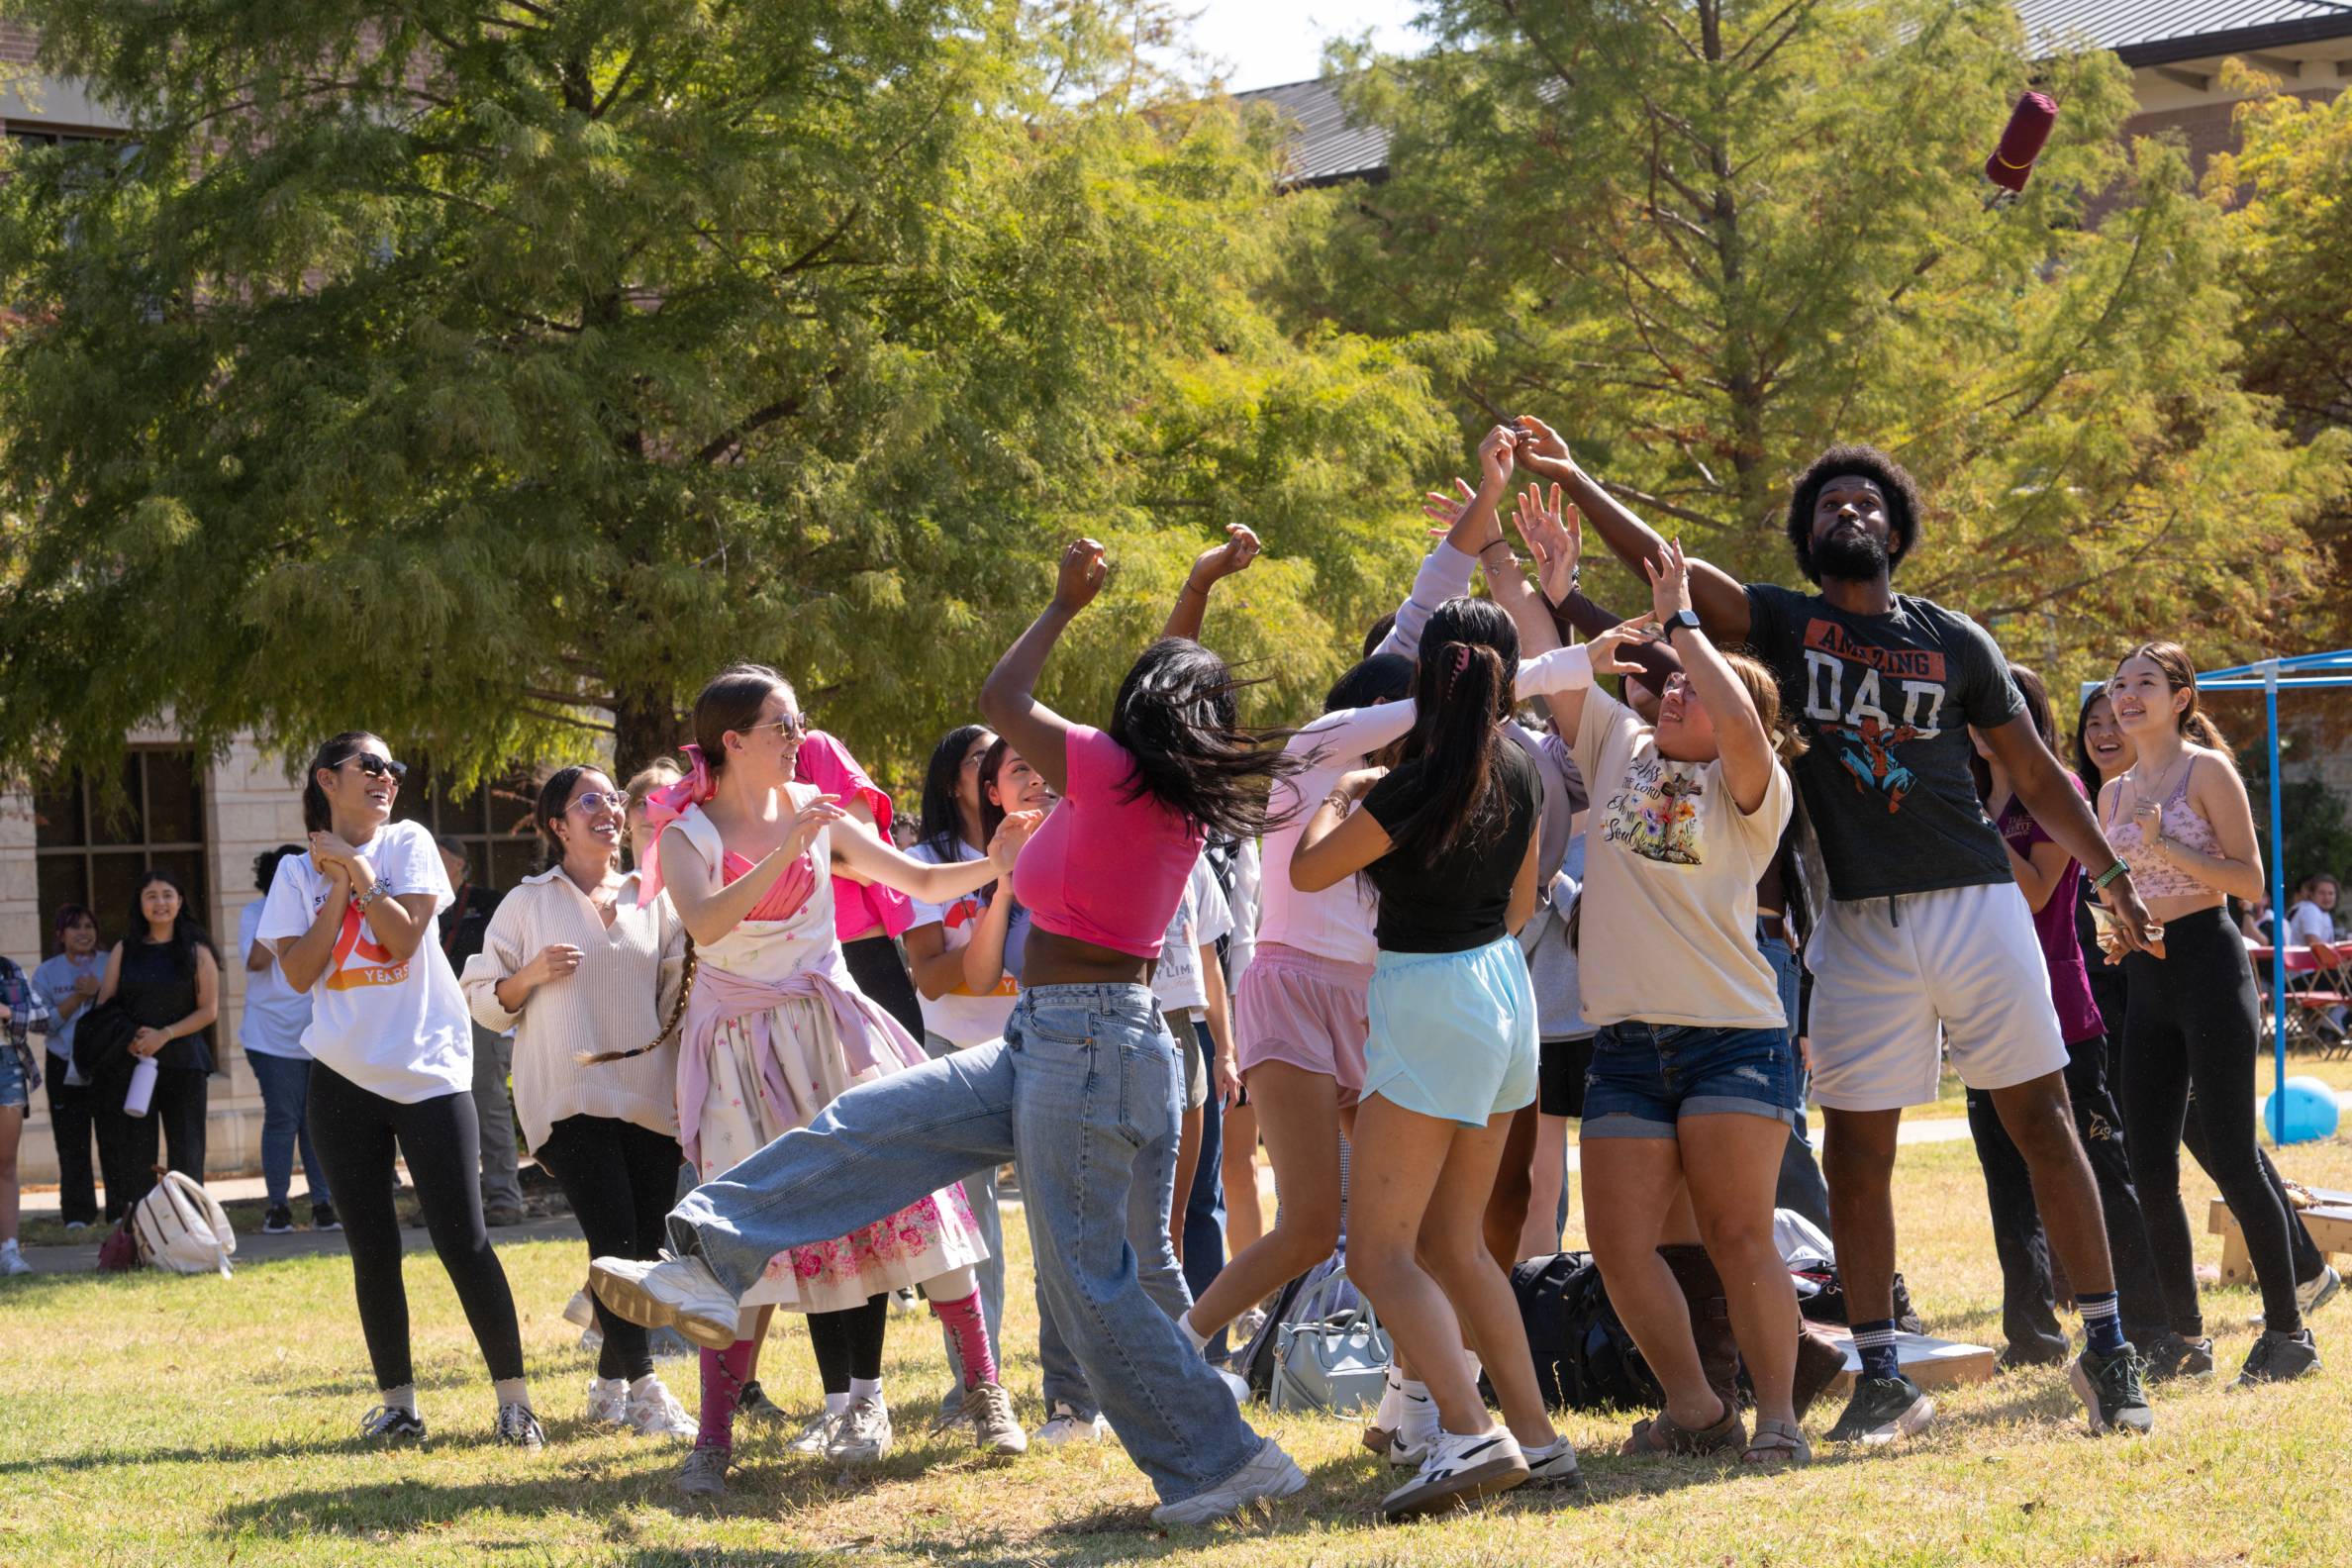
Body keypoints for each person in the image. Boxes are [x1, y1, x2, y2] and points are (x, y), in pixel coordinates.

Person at [593, 538, 1314, 1527]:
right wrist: (1192, 590)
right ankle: (704, 1253)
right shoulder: (1150, 774)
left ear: (1144, 711)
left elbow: (1004, 692)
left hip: (1091, 1047)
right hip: (1051, 1038)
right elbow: (1161, 681)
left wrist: (1062, 606)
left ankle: (1227, 1462)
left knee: (1089, 1291)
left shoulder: (1113, 769)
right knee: (873, 1122)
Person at [1520, 416, 2156, 1440]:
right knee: (1859, 1153)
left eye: (1867, 502)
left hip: (1974, 902)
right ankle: (1879, 1375)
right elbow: (1664, 576)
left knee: (2043, 1120)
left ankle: (2109, 1347)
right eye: (1828, 504)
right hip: (1854, 919)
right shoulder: (1777, 623)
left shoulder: (1955, 640)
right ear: (1808, 542)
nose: (1849, 510)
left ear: (1895, 530)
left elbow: (2035, 771)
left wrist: (2111, 874)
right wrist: (1576, 475)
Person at [607, 664, 1029, 1498]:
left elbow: (917, 882)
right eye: (781, 726)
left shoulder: (814, 811)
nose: (799, 739)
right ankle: (713, 1443)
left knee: (912, 1199)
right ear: (732, 742)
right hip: (740, 1054)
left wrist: (999, 868)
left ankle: (986, 1393)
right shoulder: (687, 831)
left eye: (797, 724)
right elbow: (706, 921)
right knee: (741, 1237)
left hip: (834, 1033)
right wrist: (793, 851)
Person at [1288, 587, 1582, 1520]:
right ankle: (1539, 1441)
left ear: (1425, 678)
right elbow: (1525, 905)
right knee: (1456, 1245)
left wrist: (1340, 793)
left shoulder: (1414, 781)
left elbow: (1308, 871)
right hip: (1503, 992)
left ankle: (1468, 1432)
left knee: (1379, 1255)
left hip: (1431, 995)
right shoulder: (1524, 768)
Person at [1529, 537, 1812, 1465]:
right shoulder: (1620, 744)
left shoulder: (1752, 790)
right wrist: (1519, 571)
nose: (1676, 687)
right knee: (1617, 1245)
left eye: (1697, 682)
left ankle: (1777, 1422)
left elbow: (1738, 724)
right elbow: (1557, 671)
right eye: (1675, 678)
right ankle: (1696, 1409)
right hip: (1626, 1048)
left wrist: (1686, 622)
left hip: (1732, 1039)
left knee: (1737, 1235)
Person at [259, 731, 541, 1449]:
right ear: (328, 779)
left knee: (463, 1240)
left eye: (394, 768)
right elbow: (298, 973)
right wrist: (331, 888)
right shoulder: (295, 873)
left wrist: (358, 869)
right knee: (373, 1249)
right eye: (371, 766)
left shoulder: (408, 842)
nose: (388, 777)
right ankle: (400, 1407)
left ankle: (515, 1404)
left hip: (428, 1073)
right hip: (342, 1078)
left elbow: (403, 939)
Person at [2072, 691, 2338, 1347]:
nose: (2123, 702)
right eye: (2114, 688)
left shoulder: (2207, 770)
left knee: (2230, 1153)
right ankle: (2183, 1340)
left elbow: (2249, 883)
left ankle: (2288, 1332)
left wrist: (2165, 842)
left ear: (2178, 697)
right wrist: (2116, 924)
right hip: (2146, 976)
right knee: (2150, 1164)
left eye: (2140, 686)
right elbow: (2122, 887)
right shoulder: (2110, 796)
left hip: (2210, 969)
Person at [460, 765, 697, 1440]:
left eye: (612, 800)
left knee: (643, 1248)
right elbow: (483, 999)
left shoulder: (656, 897)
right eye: (587, 801)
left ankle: (608, 1381)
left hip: (650, 1098)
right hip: (567, 1100)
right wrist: (528, 976)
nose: (607, 809)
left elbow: (676, 999)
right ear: (557, 824)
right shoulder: (528, 902)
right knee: (613, 1240)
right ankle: (649, 1393)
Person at [1961, 668, 2174, 1375]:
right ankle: (2031, 1333)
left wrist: (1966, 822)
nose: (1979, 724)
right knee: (2006, 1184)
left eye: (1996, 710)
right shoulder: (1966, 791)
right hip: (1979, 1010)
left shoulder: (2058, 793)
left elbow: (2036, 888)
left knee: (2103, 1175)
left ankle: (2149, 1326)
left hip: (2062, 1015)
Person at [902, 724, 1025, 1417]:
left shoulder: (1040, 845)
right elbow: (931, 979)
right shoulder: (924, 861)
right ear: (957, 782)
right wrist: (990, 959)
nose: (994, 773)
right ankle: (978, 1383)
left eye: (1002, 763)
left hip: (1038, 1046)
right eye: (981, 760)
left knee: (1057, 1222)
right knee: (969, 1230)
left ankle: (1072, 1388)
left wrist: (976, 968)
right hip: (955, 1057)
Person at [95, 871, 220, 1209]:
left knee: (187, 1152)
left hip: (185, 1064)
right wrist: (131, 1034)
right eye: (151, 895)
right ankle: (139, 1233)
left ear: (180, 902)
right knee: (136, 1153)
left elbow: (208, 1011)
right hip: (135, 1064)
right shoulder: (125, 949)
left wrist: (165, 1035)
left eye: (167, 895)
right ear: (140, 904)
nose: (160, 903)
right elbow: (105, 1003)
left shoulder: (198, 951)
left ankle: (191, 1229)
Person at [796, 729, 926, 1041]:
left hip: (860, 955)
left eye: (791, 720)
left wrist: (788, 848)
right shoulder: (717, 783)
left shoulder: (812, 748)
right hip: (777, 971)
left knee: (900, 1085)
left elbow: (868, 865)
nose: (791, 732)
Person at [240, 846, 335, 1234]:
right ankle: (277, 1205)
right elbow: (257, 962)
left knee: (315, 1122)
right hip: (269, 1036)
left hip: (318, 1031)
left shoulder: (325, 906)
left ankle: (323, 1203)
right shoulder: (255, 913)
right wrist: (282, 912)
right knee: (283, 1117)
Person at [439, 837, 521, 1226]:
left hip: (478, 1015)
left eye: (439, 860)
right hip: (431, 1017)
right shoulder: (417, 903)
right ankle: (449, 1204)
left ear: (460, 865)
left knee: (488, 1106)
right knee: (435, 1112)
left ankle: (504, 1198)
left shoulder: (488, 903)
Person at [30, 905, 106, 1228]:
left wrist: (99, 991)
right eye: (75, 927)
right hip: (63, 1064)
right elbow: (40, 1024)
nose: (83, 932)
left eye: (89, 925)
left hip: (105, 1064)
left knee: (113, 1139)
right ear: (60, 935)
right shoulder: (47, 973)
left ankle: (119, 1210)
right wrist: (77, 997)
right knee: (71, 1142)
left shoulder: (109, 963)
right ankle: (78, 1215)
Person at [0, 950, 56, 1275]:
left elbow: (42, 1017)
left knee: (5, 1163)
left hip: (7, 1065)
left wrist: (7, 1011)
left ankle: (9, 1251)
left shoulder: (7, 968)